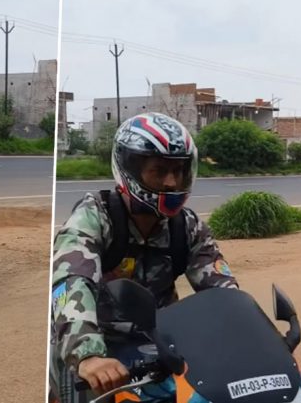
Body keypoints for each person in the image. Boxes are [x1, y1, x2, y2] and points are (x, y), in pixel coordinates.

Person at [49, 113, 238, 399]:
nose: (172, 183)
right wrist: (88, 355)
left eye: (179, 171)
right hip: (99, 348)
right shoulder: (93, 218)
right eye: (159, 171)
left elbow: (223, 292)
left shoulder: (186, 227)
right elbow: (71, 280)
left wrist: (256, 341)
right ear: (131, 170)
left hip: (162, 346)